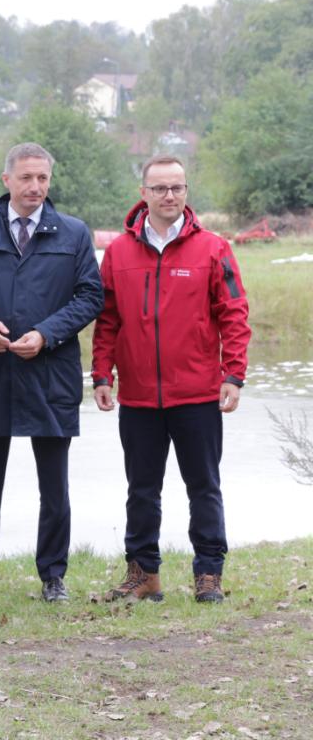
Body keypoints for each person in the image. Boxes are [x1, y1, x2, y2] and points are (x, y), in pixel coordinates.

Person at [0, 142, 103, 606]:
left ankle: (53, 576)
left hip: (50, 374)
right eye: (26, 178)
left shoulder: (73, 234)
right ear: (7, 181)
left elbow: (90, 297)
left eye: (42, 179)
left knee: (54, 488)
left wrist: (46, 333)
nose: (35, 186)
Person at [92, 155, 251, 604]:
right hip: (139, 396)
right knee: (142, 490)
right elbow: (107, 319)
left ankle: (209, 575)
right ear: (143, 193)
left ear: (186, 191)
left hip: (197, 393)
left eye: (177, 188)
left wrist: (233, 374)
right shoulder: (119, 252)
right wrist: (102, 372)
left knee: (204, 487)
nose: (169, 196)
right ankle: (144, 575)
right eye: (159, 188)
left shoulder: (213, 248)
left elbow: (234, 313)